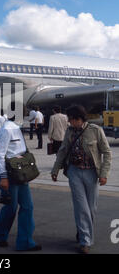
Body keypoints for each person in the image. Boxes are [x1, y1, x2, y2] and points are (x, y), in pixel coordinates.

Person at [51, 105, 111, 254]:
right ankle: (85, 241)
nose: (70, 123)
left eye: (71, 120)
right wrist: (55, 170)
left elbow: (107, 152)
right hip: (74, 172)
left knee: (91, 208)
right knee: (81, 207)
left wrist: (104, 174)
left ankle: (82, 229)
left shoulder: (95, 130)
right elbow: (63, 150)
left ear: (79, 119)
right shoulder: (69, 132)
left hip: (91, 173)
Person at [0, 115, 42, 252]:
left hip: (20, 173)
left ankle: (25, 242)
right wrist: (3, 177)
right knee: (11, 208)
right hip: (9, 175)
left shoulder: (16, 128)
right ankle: (0, 235)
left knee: (27, 206)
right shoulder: (7, 130)